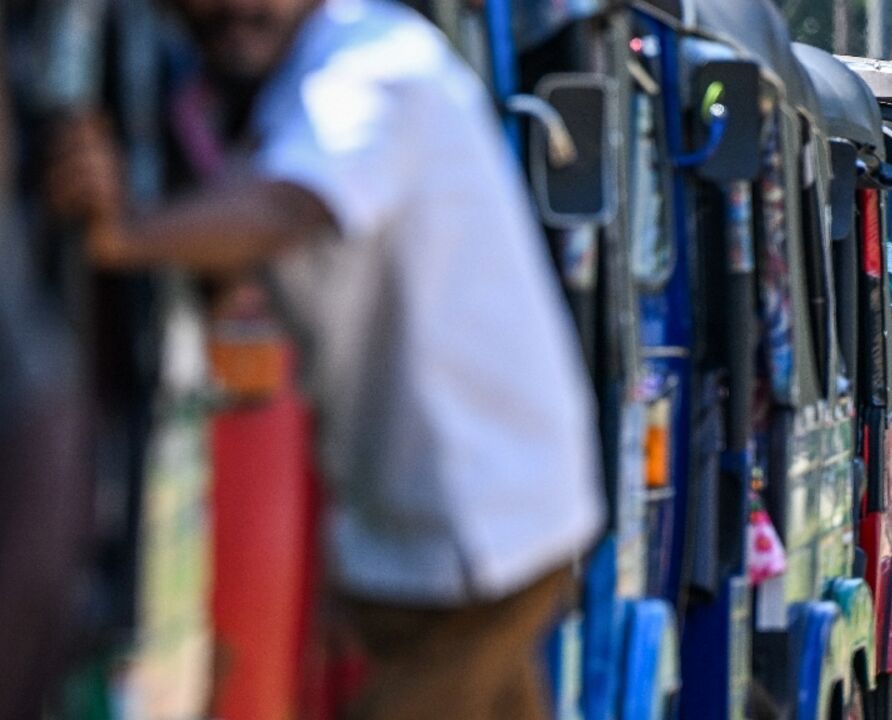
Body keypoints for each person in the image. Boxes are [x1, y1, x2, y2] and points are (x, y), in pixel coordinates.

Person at [44, 0, 604, 717]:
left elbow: (289, 208)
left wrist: (125, 234)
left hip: (476, 528)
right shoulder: (275, 95)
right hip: (448, 526)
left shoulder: (372, 69)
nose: (232, 10)